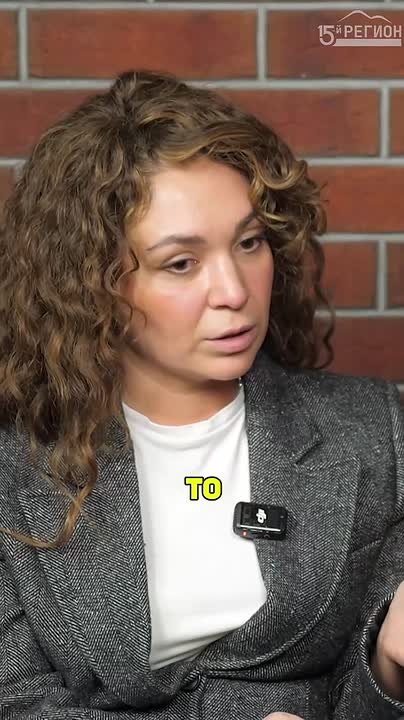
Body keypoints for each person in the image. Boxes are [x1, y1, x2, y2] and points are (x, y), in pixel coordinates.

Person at [0, 68, 403, 720]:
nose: (235, 291)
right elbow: (15, 699)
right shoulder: (14, 464)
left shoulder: (377, 431)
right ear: (90, 283)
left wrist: (388, 667)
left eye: (249, 243)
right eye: (181, 263)